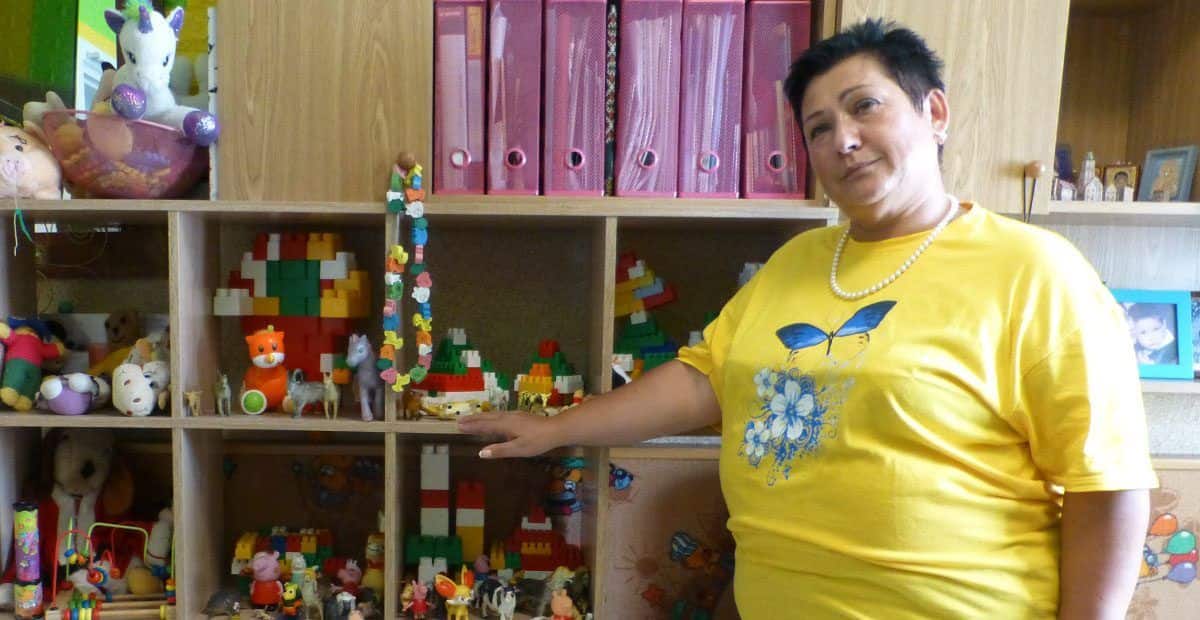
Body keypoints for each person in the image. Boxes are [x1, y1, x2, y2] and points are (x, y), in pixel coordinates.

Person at [460, 19, 1156, 618]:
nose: (843, 140)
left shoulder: (1036, 270)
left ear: (934, 112)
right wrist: (556, 430)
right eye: (819, 128)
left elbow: (1109, 484)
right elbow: (705, 382)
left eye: (865, 108)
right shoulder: (796, 263)